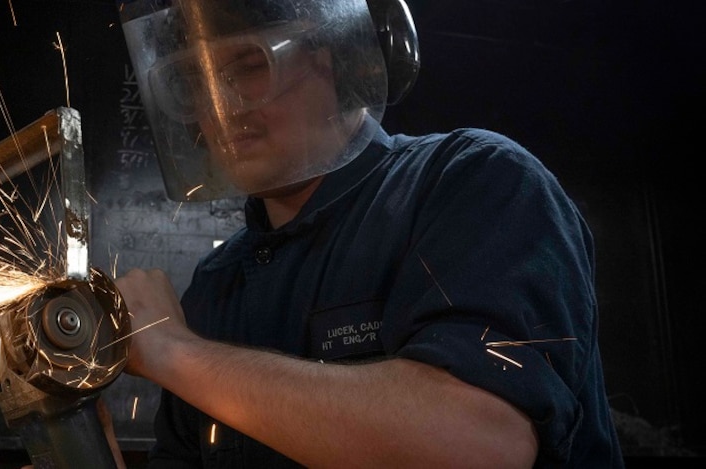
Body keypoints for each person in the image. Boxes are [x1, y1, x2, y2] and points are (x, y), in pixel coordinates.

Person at [110, 0, 623, 467]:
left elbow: (479, 443)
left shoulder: (473, 180)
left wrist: (174, 352)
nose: (222, 106)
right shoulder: (217, 284)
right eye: (194, 83)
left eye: (248, 66)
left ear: (341, 59)